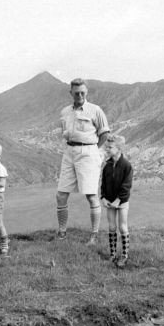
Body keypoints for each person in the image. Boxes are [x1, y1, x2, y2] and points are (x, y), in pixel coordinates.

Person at [56, 78, 110, 242]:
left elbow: (104, 133)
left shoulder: (95, 110)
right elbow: (65, 132)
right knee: (60, 195)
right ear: (70, 92)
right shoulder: (65, 112)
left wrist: (93, 149)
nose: (80, 95)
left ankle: (93, 234)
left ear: (86, 92)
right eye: (76, 92)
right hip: (69, 153)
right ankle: (62, 232)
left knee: (91, 195)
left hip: (88, 153)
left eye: (83, 92)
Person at [101, 134, 133, 268]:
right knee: (112, 227)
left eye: (110, 147)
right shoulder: (107, 166)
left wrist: (119, 200)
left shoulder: (126, 165)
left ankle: (124, 256)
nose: (107, 149)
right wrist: (102, 197)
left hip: (122, 202)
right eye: (106, 147)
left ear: (119, 148)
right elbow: (103, 183)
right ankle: (113, 254)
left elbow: (127, 185)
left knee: (122, 227)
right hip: (109, 201)